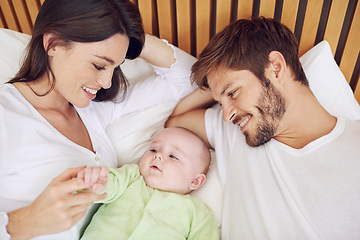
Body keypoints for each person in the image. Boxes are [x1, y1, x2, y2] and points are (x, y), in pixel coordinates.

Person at [0, 0, 197, 239]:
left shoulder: (93, 109)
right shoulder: (6, 113)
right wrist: (24, 222)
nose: (106, 82)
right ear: (52, 43)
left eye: (115, 67)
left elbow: (189, 78)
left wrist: (131, 37)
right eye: (98, 65)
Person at [166, 17, 360, 239]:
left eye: (232, 93)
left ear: (276, 68)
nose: (227, 115)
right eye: (220, 103)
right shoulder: (237, 133)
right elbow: (176, 120)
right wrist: (217, 85)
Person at [77, 127, 218, 239]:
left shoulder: (198, 213)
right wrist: (97, 183)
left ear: (195, 181)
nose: (158, 155)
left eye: (173, 156)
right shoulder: (131, 177)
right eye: (154, 150)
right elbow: (110, 185)